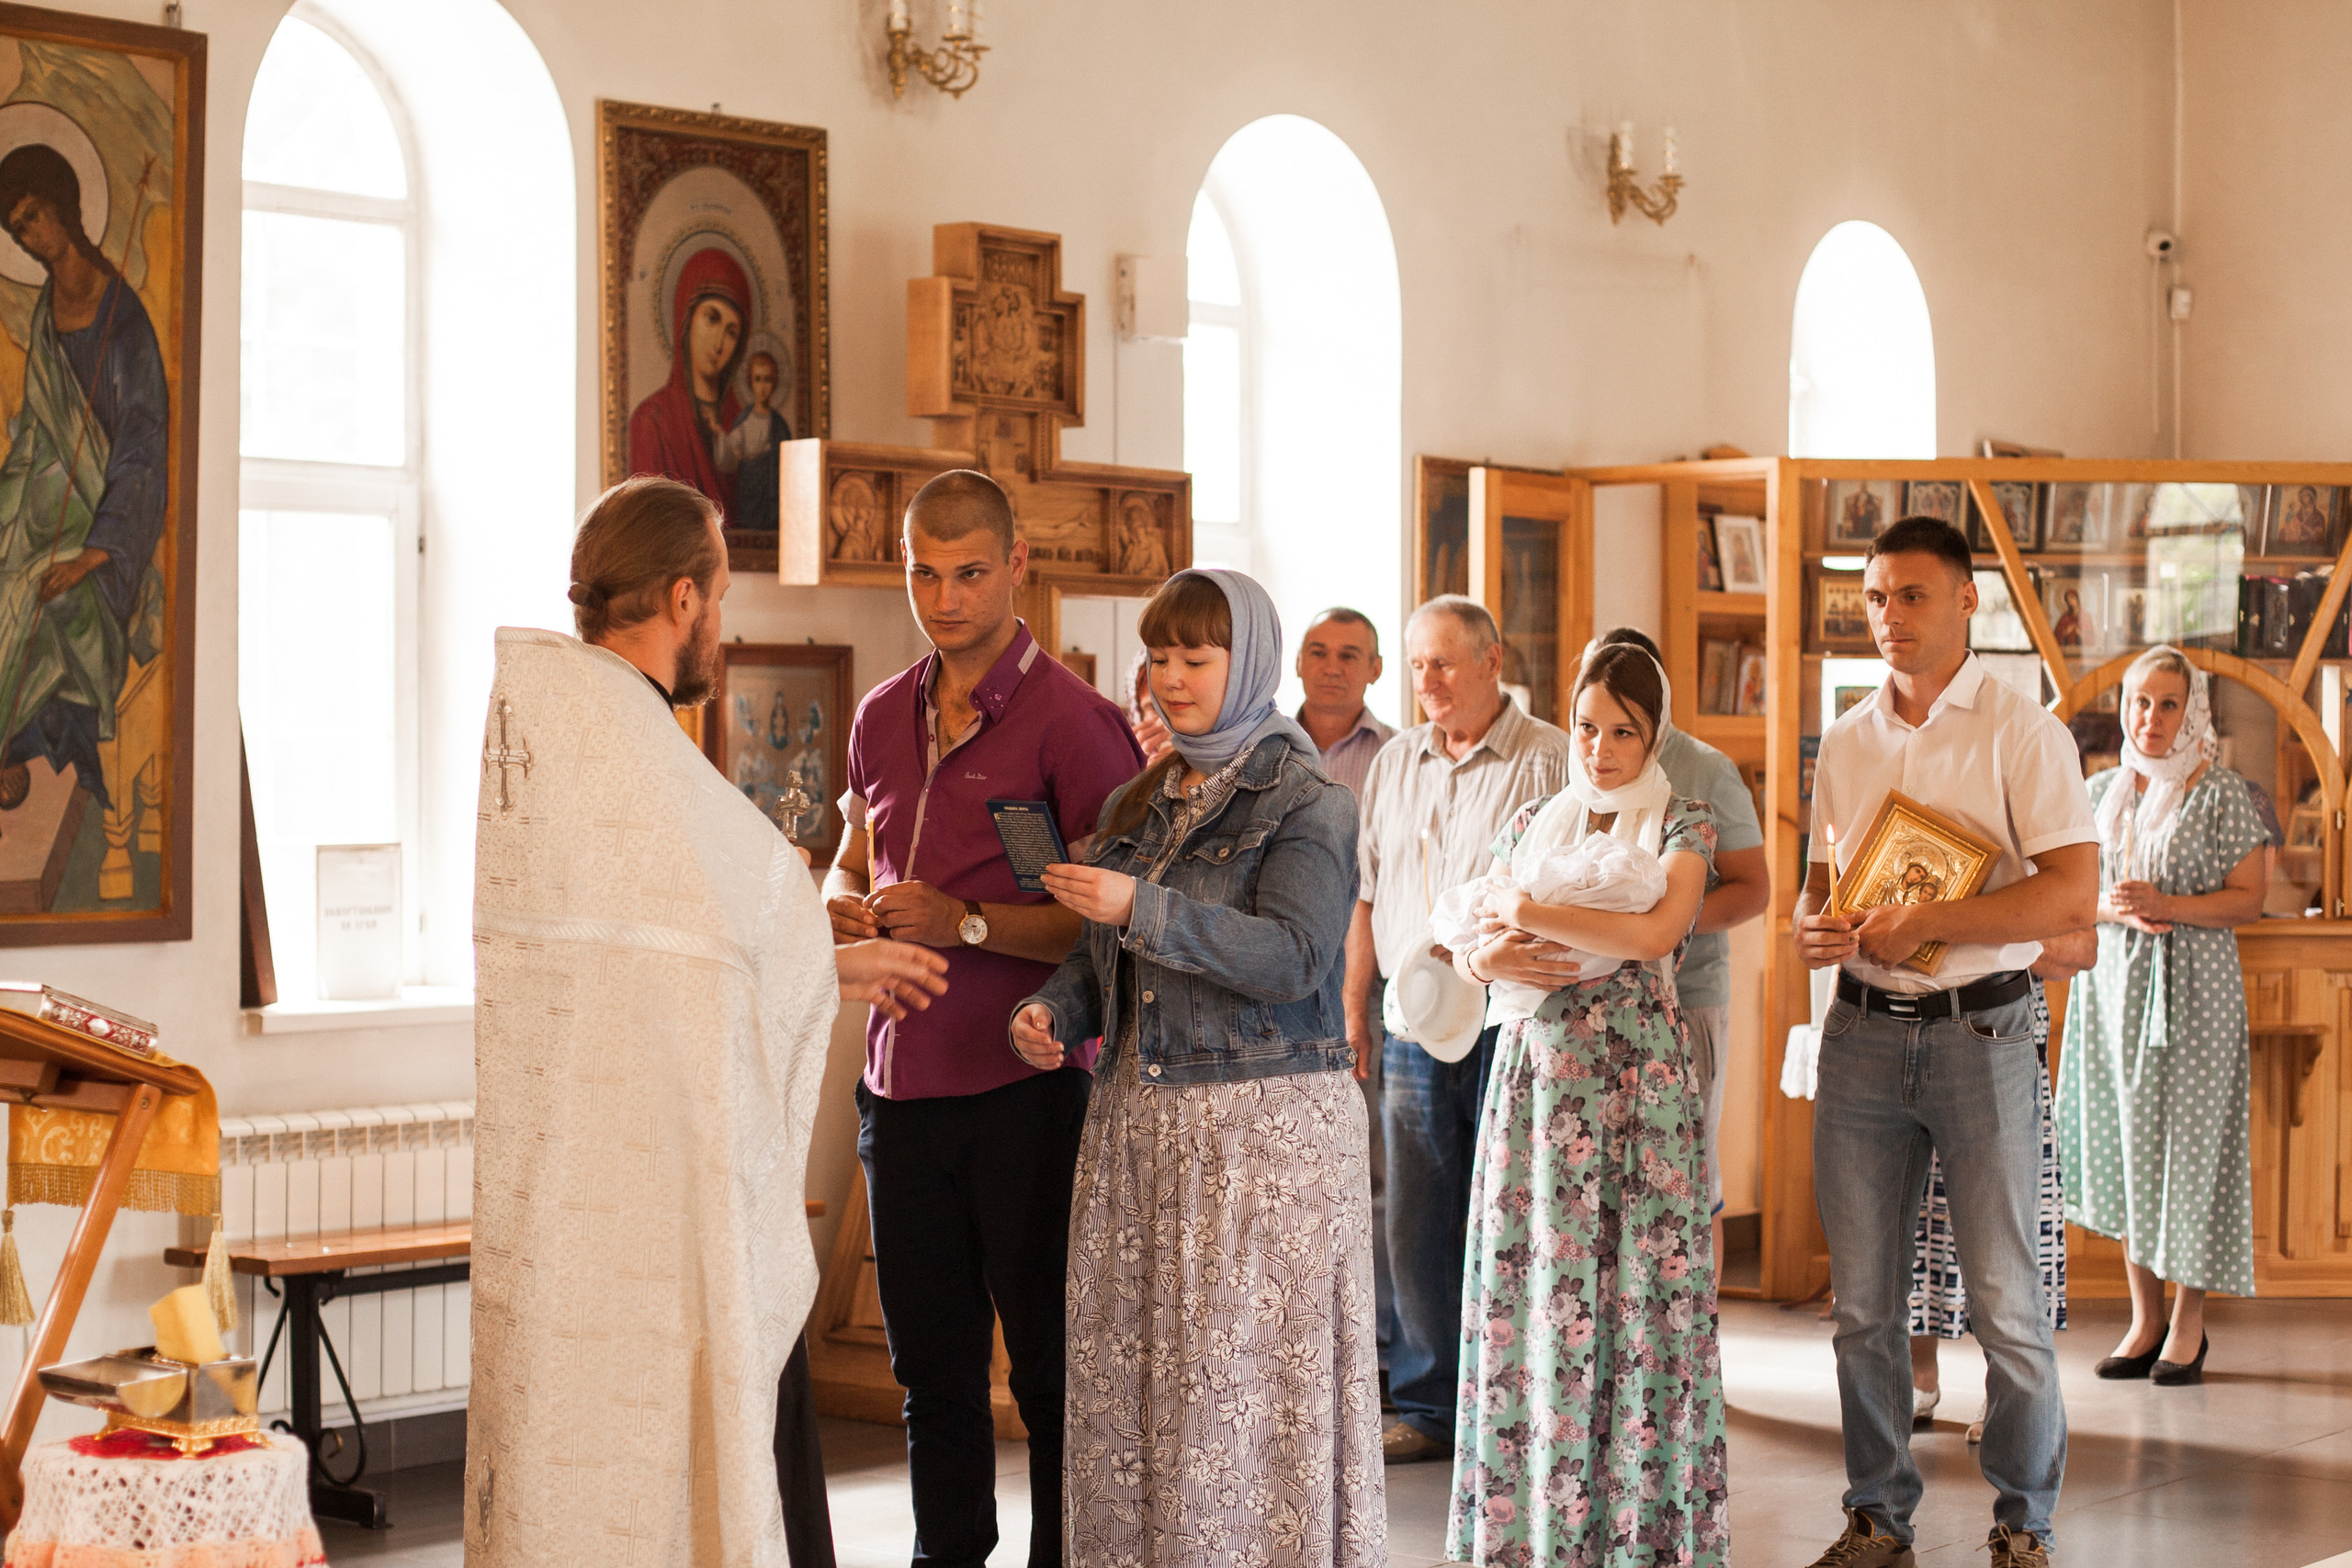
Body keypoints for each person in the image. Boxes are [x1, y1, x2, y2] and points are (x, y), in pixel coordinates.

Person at [469, 476, 948, 1567]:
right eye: (721, 598)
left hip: (568, 1188)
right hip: (667, 1197)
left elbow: (682, 952)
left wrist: (824, 958)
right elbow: (717, 942)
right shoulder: (633, 751)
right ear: (681, 598)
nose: (721, 626)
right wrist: (836, 966)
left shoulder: (555, 728)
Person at [1014, 568, 1380, 1567]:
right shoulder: (1140, 799)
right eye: (1159, 657)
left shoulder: (1309, 800)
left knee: (1237, 1408)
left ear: (1248, 662)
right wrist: (1052, 1011)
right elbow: (1102, 958)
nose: (1169, 678)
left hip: (1260, 1152)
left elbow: (1295, 957)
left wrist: (1145, 908)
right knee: (1138, 1401)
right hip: (1138, 1140)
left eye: (1195, 658)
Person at [823, 469, 1144, 1568]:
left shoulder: (1079, 724)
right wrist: (839, 903)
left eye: (968, 573)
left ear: (1016, 564)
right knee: (932, 1373)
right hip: (898, 1094)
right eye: (924, 573)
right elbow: (850, 856)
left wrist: (964, 922)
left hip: (1027, 1093)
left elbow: (1111, 930)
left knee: (1050, 1371)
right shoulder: (878, 714)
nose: (945, 598)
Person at [1794, 516, 2098, 1568]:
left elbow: (2073, 894)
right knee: (1862, 1307)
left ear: (1968, 601)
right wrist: (1811, 927)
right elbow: (1822, 887)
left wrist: (1933, 920)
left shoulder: (2024, 732)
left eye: (1911, 595)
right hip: (1860, 1032)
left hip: (1984, 1030)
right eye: (1875, 598)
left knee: (2007, 1305)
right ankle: (1876, 1518)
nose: (1889, 616)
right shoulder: (1845, 738)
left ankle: (2023, 1527)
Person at [1442, 643, 1729, 1565]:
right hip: (1536, 1086)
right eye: (1587, 728)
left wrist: (1526, 915)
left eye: (1623, 731)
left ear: (1655, 736)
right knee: (1536, 1295)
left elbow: (1655, 930)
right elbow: (1468, 938)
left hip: (1638, 1092)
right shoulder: (1534, 818)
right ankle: (1536, 1536)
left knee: (1641, 1301)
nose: (1600, 749)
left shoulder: (1684, 820)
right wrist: (1487, 954)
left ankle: (1637, 1540)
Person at [1347, 595, 1571, 1463]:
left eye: (1443, 661)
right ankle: (1428, 1403)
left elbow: (1557, 897)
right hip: (1410, 1018)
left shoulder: (1548, 756)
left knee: (1508, 1208)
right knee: (1416, 1215)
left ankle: (1508, 1403)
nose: (1428, 680)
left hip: (1509, 1016)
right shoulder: (1394, 761)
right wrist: (1355, 1004)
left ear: (1492, 659)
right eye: (1417, 665)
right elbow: (1367, 893)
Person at [2056, 645, 2265, 1385]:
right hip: (2113, 991)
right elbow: (2073, 892)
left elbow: (2250, 898)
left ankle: (2188, 1323)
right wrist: (2115, 907)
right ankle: (2144, 1319)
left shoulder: (2221, 792)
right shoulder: (2101, 789)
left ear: (2192, 711)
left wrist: (2168, 904)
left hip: (2197, 992)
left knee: (2192, 1152)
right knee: (2128, 1147)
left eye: (2168, 703)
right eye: (2140, 701)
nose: (2151, 716)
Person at [0, 144, 168, 821]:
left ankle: (21, 740)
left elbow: (143, 446)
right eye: (18, 229)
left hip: (107, 522)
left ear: (65, 207)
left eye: (34, 216)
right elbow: (40, 433)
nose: (30, 237)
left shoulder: (123, 319)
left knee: (44, 597)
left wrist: (93, 555)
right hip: (50, 495)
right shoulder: (47, 311)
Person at [1588, 628, 1770, 1258]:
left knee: (1690, 1173)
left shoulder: (1706, 771)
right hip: (1598, 1004)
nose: (1604, 740)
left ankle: (1699, 1318)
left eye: (1626, 719)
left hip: (1685, 997)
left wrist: (1664, 926)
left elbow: (1753, 889)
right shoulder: (1582, 769)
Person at [1907, 931, 2092, 1444]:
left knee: (2005, 1216)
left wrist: (1977, 935)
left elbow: (2079, 950)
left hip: (2001, 1022)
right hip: (1905, 1019)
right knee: (1915, 1206)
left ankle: (2007, 1389)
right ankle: (1918, 1377)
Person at [1296, 606, 1397, 1361]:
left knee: (1374, 1170)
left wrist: (1357, 998)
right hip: (1279, 985)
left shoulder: (1396, 757)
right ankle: (1306, 1341)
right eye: (1318, 651)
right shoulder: (1263, 747)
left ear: (1375, 669)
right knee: (1296, 1170)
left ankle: (1380, 1347)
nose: (1332, 666)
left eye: (1350, 654)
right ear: (1298, 662)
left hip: (1368, 988)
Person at [627, 246, 750, 521]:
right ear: (687, 316)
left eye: (731, 332)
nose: (719, 343)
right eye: (712, 318)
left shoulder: (741, 423)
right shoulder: (652, 421)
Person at [718, 348, 791, 531]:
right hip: (749, 492)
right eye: (758, 379)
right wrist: (718, 433)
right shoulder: (744, 420)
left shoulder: (780, 425)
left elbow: (789, 466)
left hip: (773, 497)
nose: (763, 386)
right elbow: (731, 455)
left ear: (774, 383)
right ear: (750, 382)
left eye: (767, 379)